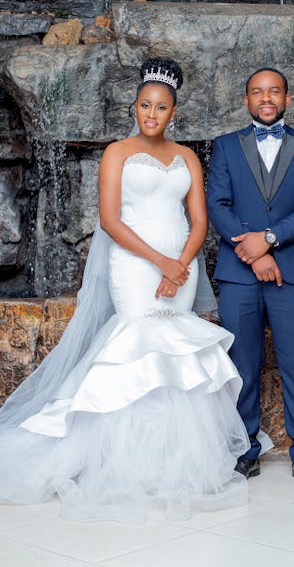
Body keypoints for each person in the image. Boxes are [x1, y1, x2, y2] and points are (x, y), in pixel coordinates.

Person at [0, 57, 250, 522]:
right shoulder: (117, 153)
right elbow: (111, 220)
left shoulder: (188, 157)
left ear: (173, 112)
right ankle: (121, 461)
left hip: (181, 265)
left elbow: (200, 220)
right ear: (135, 108)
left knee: (175, 351)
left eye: (160, 108)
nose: (151, 115)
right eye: (144, 106)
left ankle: (171, 461)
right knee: (137, 344)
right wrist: (160, 263)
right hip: (135, 265)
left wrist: (180, 265)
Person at [207, 67, 294, 489]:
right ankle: (244, 451)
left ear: (287, 99)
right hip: (240, 273)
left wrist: (269, 240)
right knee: (242, 366)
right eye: (257, 91)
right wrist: (253, 253)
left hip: (292, 273)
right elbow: (217, 204)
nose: (266, 97)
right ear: (246, 101)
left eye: (274, 90)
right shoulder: (224, 147)